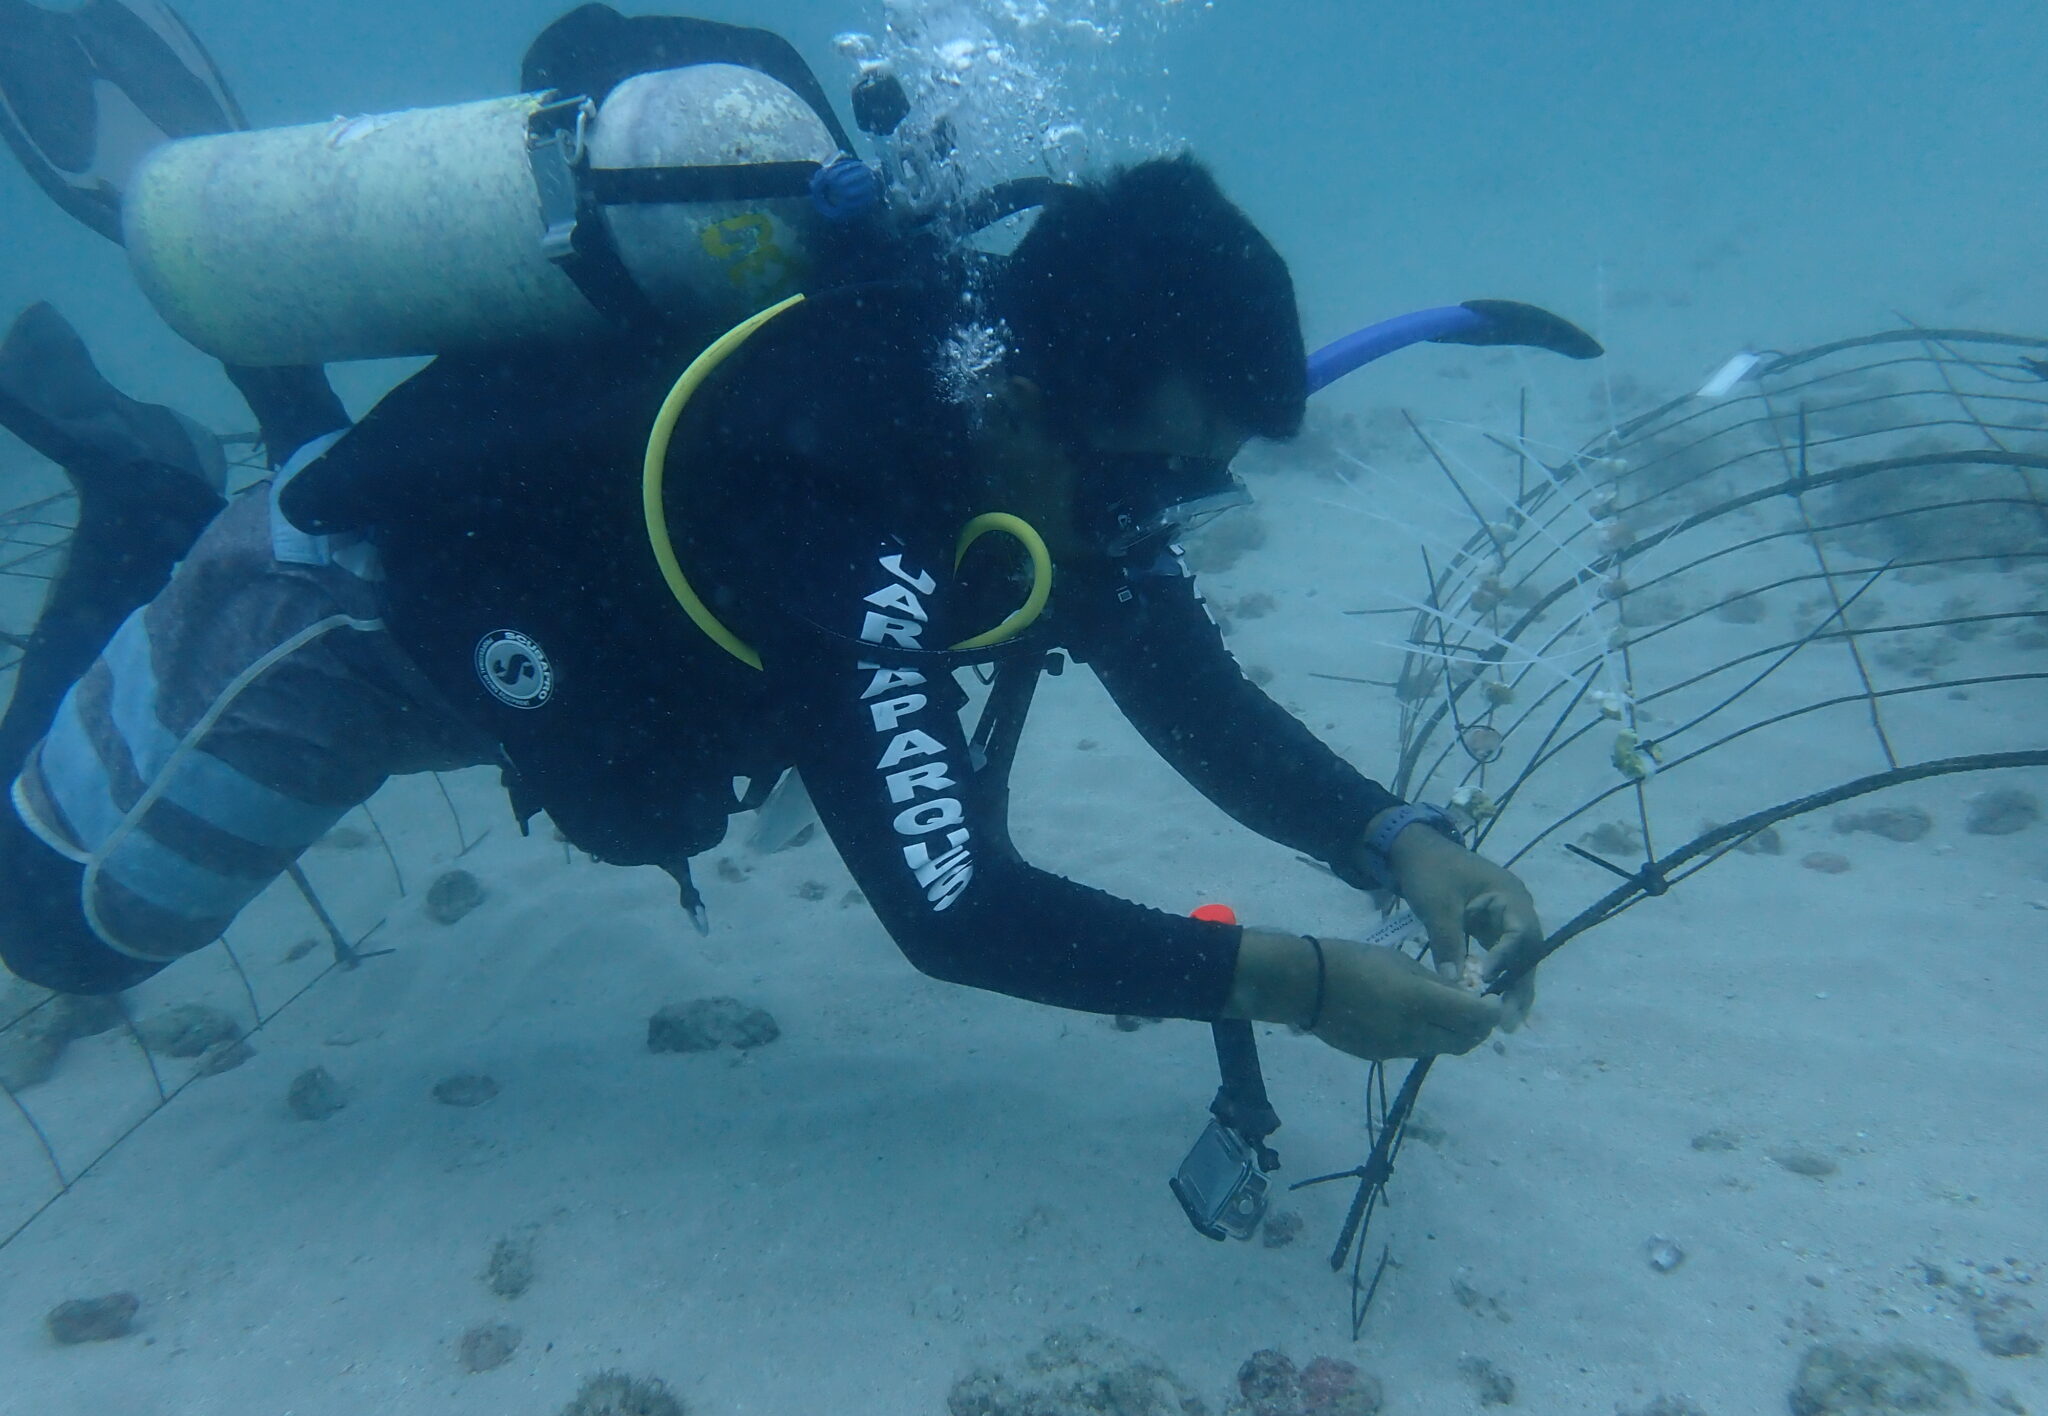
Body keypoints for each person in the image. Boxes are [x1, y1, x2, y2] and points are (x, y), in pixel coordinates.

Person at [0, 4, 1543, 1066]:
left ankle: (249, 446)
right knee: (59, 934)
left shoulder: (1019, 449)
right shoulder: (847, 499)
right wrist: (1304, 984)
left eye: (1186, 491)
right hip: (338, 621)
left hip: (515, 595)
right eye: (1152, 477)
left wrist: (1402, 842)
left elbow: (1187, 690)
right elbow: (956, 912)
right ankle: (145, 501)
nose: (1151, 526)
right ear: (1037, 402)